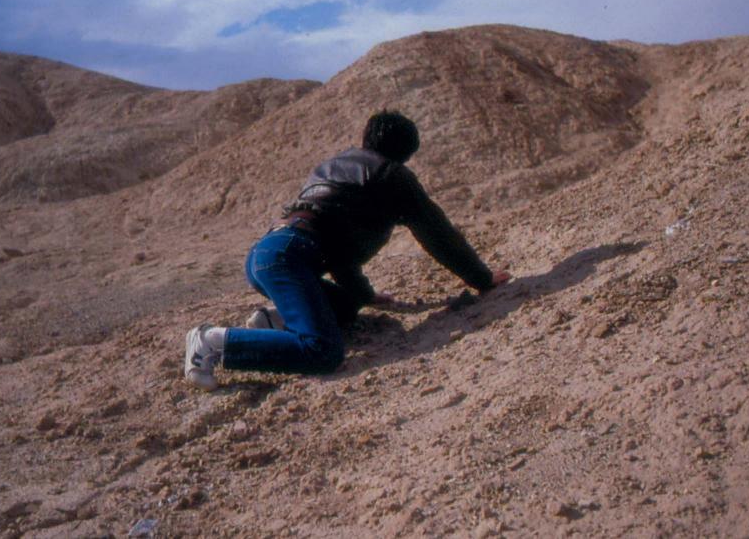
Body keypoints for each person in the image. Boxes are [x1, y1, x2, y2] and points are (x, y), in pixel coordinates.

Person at [184, 110, 511, 390]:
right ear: (407, 151)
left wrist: (365, 295)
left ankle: (274, 322)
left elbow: (339, 253)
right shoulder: (391, 175)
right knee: (322, 351)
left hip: (267, 254)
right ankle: (212, 342)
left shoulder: (337, 165)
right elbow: (437, 233)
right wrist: (482, 279)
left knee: (347, 305)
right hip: (289, 257)